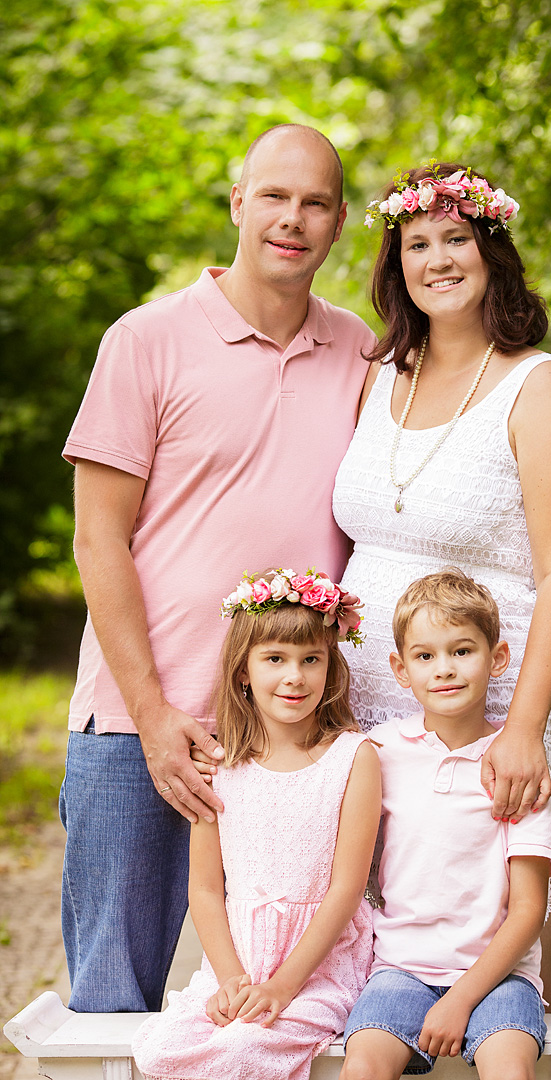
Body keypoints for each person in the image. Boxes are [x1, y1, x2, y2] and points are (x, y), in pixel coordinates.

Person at [59, 124, 377, 1012]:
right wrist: (155, 713)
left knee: (292, 1001)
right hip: (137, 729)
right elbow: (98, 541)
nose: (293, 219)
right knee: (113, 1001)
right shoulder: (145, 339)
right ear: (239, 203)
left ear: (340, 222)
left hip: (293, 737)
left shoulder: (360, 350)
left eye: (315, 203)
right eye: (274, 195)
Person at [332, 162, 551, 1011]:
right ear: (396, 263)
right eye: (418, 243)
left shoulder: (536, 383)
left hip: (496, 702)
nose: (438, 259)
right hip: (378, 706)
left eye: (458, 238)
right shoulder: (382, 377)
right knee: (393, 957)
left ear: (492, 253)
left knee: (514, 957)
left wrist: (519, 731)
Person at [132, 567, 381, 1080]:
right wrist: (230, 979)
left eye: (311, 660)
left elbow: (347, 888)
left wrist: (283, 986)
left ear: (331, 667)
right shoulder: (220, 767)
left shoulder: (353, 758)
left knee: (245, 1049)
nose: (295, 676)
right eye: (275, 659)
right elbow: (204, 889)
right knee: (159, 1051)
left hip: (318, 966)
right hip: (237, 960)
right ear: (243, 671)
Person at [340, 570, 551, 1080]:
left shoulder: (516, 766)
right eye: (425, 656)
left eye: (462, 651)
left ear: (498, 658)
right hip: (400, 969)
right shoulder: (379, 752)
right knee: (362, 1068)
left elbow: (529, 910)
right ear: (400, 669)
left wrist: (461, 1000)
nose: (444, 669)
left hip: (501, 976)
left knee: (511, 1070)